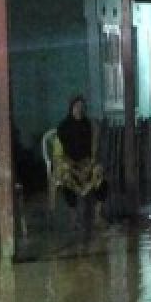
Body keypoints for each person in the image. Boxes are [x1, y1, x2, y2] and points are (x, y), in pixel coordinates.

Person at [53, 95, 104, 230]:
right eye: (77, 107)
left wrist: (90, 165)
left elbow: (94, 150)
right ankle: (73, 218)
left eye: (82, 107)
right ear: (71, 109)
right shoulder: (63, 127)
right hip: (69, 163)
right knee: (66, 176)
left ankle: (98, 216)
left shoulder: (89, 125)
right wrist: (73, 167)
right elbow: (58, 154)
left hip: (86, 163)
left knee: (99, 173)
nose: (79, 110)